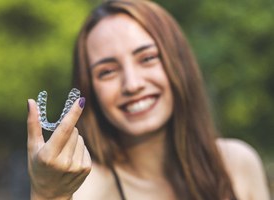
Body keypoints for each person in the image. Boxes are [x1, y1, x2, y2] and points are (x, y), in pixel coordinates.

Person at [26, 0, 271, 199]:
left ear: (179, 62)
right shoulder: (84, 189)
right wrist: (48, 195)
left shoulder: (237, 165)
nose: (132, 84)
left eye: (147, 58)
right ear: (89, 90)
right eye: (107, 71)